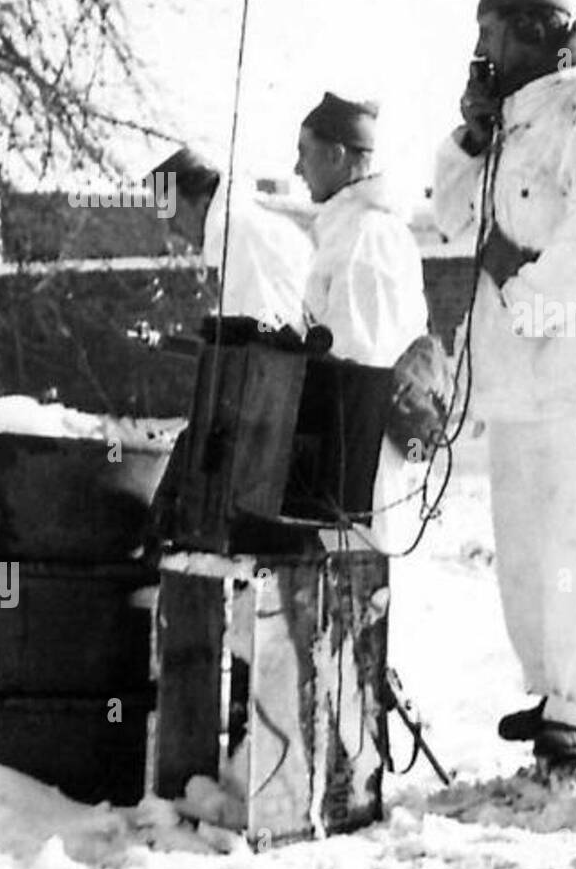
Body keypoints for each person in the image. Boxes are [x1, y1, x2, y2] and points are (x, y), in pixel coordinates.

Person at [432, 0, 576, 775]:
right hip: (515, 369)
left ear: (536, 32)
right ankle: (553, 690)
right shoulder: (508, 122)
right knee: (523, 536)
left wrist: (528, 297)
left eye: (491, 31)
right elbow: (454, 215)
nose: (481, 49)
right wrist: (469, 136)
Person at [296, 93, 429, 548]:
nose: (298, 170)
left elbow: (357, 361)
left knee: (359, 580)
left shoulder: (365, 235)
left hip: (361, 460)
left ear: (335, 155)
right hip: (353, 451)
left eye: (304, 154)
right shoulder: (352, 229)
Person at [151, 145, 313, 331]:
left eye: (173, 216)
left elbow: (259, 325)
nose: (172, 230)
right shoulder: (248, 222)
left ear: (202, 204)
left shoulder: (233, 236)